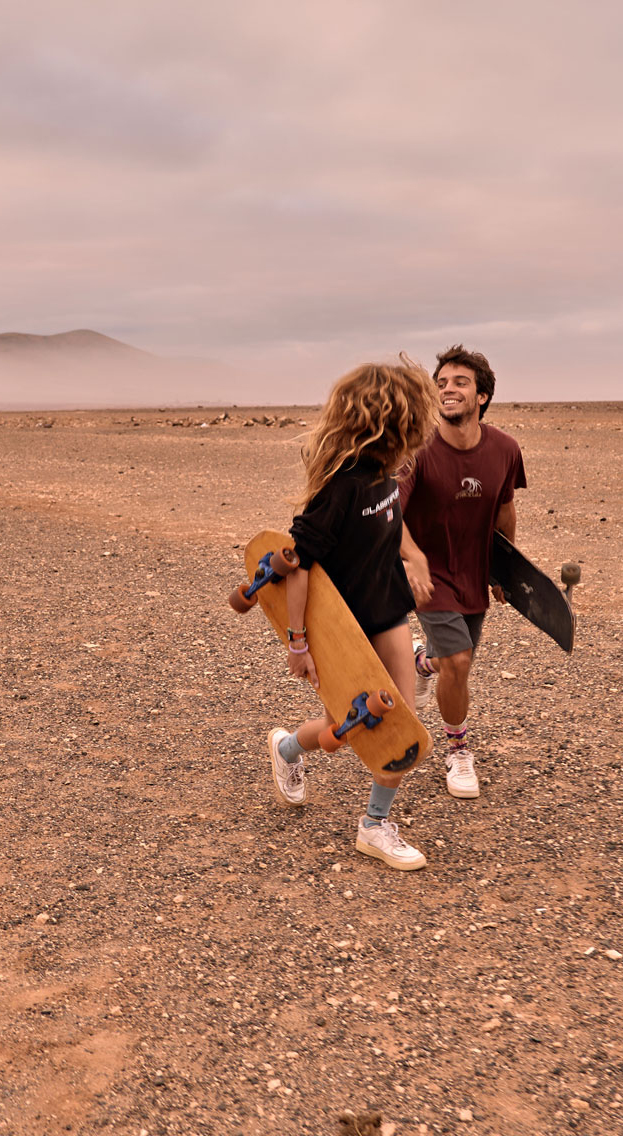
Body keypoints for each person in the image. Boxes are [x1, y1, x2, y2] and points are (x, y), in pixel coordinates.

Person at [264, 358, 440, 870]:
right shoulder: (340, 487)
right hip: (341, 626)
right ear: (390, 418)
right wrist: (298, 643)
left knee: (400, 724)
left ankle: (375, 826)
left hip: (385, 610)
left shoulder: (386, 475)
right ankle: (289, 749)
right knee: (346, 721)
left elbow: (394, 517)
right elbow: (299, 565)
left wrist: (414, 555)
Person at [398, 345, 526, 800]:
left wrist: (504, 569)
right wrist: (412, 560)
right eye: (442, 383)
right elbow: (389, 514)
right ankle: (457, 751)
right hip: (428, 574)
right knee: (459, 661)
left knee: (456, 660)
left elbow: (504, 510)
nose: (448, 390)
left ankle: (419, 661)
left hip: (474, 572)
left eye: (460, 383)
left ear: (483, 397)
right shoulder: (416, 450)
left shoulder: (505, 449)